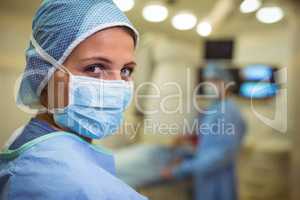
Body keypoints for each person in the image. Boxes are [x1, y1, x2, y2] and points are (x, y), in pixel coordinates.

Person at [0, 0, 147, 199]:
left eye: (125, 70)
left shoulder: (33, 141)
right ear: (45, 74)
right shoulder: (62, 182)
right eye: (95, 67)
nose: (117, 85)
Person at [161, 63, 247, 200]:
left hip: (218, 180)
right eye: (207, 80)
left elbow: (219, 156)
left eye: (214, 80)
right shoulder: (215, 107)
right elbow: (207, 137)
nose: (209, 84)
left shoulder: (229, 112)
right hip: (205, 177)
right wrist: (187, 138)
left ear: (227, 83)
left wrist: (179, 170)